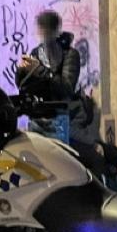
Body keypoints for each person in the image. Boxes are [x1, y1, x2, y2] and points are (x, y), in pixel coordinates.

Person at [18, 10, 81, 141]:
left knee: (58, 158)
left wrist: (40, 70)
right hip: (36, 118)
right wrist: (22, 71)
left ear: (56, 31)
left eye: (46, 31)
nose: (42, 35)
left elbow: (66, 89)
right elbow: (23, 86)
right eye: (41, 30)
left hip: (57, 119)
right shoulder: (36, 53)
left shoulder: (69, 54)